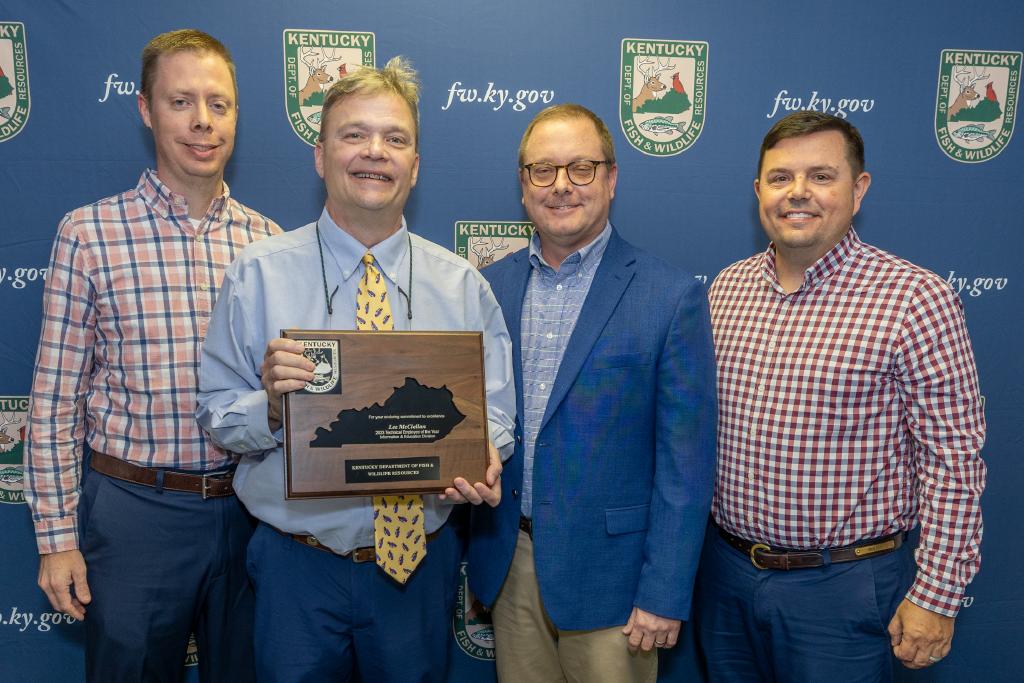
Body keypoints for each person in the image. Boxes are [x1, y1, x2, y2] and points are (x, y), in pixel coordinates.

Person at [196, 56, 515, 681]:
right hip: (296, 569)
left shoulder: (464, 287)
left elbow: (496, 410)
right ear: (320, 156)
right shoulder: (256, 275)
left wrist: (483, 454)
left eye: (396, 138)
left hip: (417, 567)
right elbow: (215, 411)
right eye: (354, 135)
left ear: (415, 165)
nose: (376, 152)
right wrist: (273, 407)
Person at [24, 29, 280, 681]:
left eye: (218, 104)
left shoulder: (269, 244)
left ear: (237, 115)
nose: (202, 121)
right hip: (136, 513)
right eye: (181, 101)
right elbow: (54, 405)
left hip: (251, 509)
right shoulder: (89, 234)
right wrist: (56, 539)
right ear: (145, 109)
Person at [697, 110, 986, 680]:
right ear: (759, 191)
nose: (797, 193)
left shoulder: (915, 299)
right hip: (726, 576)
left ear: (858, 190)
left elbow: (952, 461)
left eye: (821, 176)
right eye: (780, 178)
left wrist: (938, 594)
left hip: (844, 587)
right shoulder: (725, 288)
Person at [467, 103, 717, 682]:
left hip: (616, 584)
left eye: (581, 168)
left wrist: (664, 592)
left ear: (611, 178)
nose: (561, 186)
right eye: (542, 170)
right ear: (523, 183)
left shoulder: (669, 296)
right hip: (511, 565)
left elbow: (687, 466)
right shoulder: (488, 287)